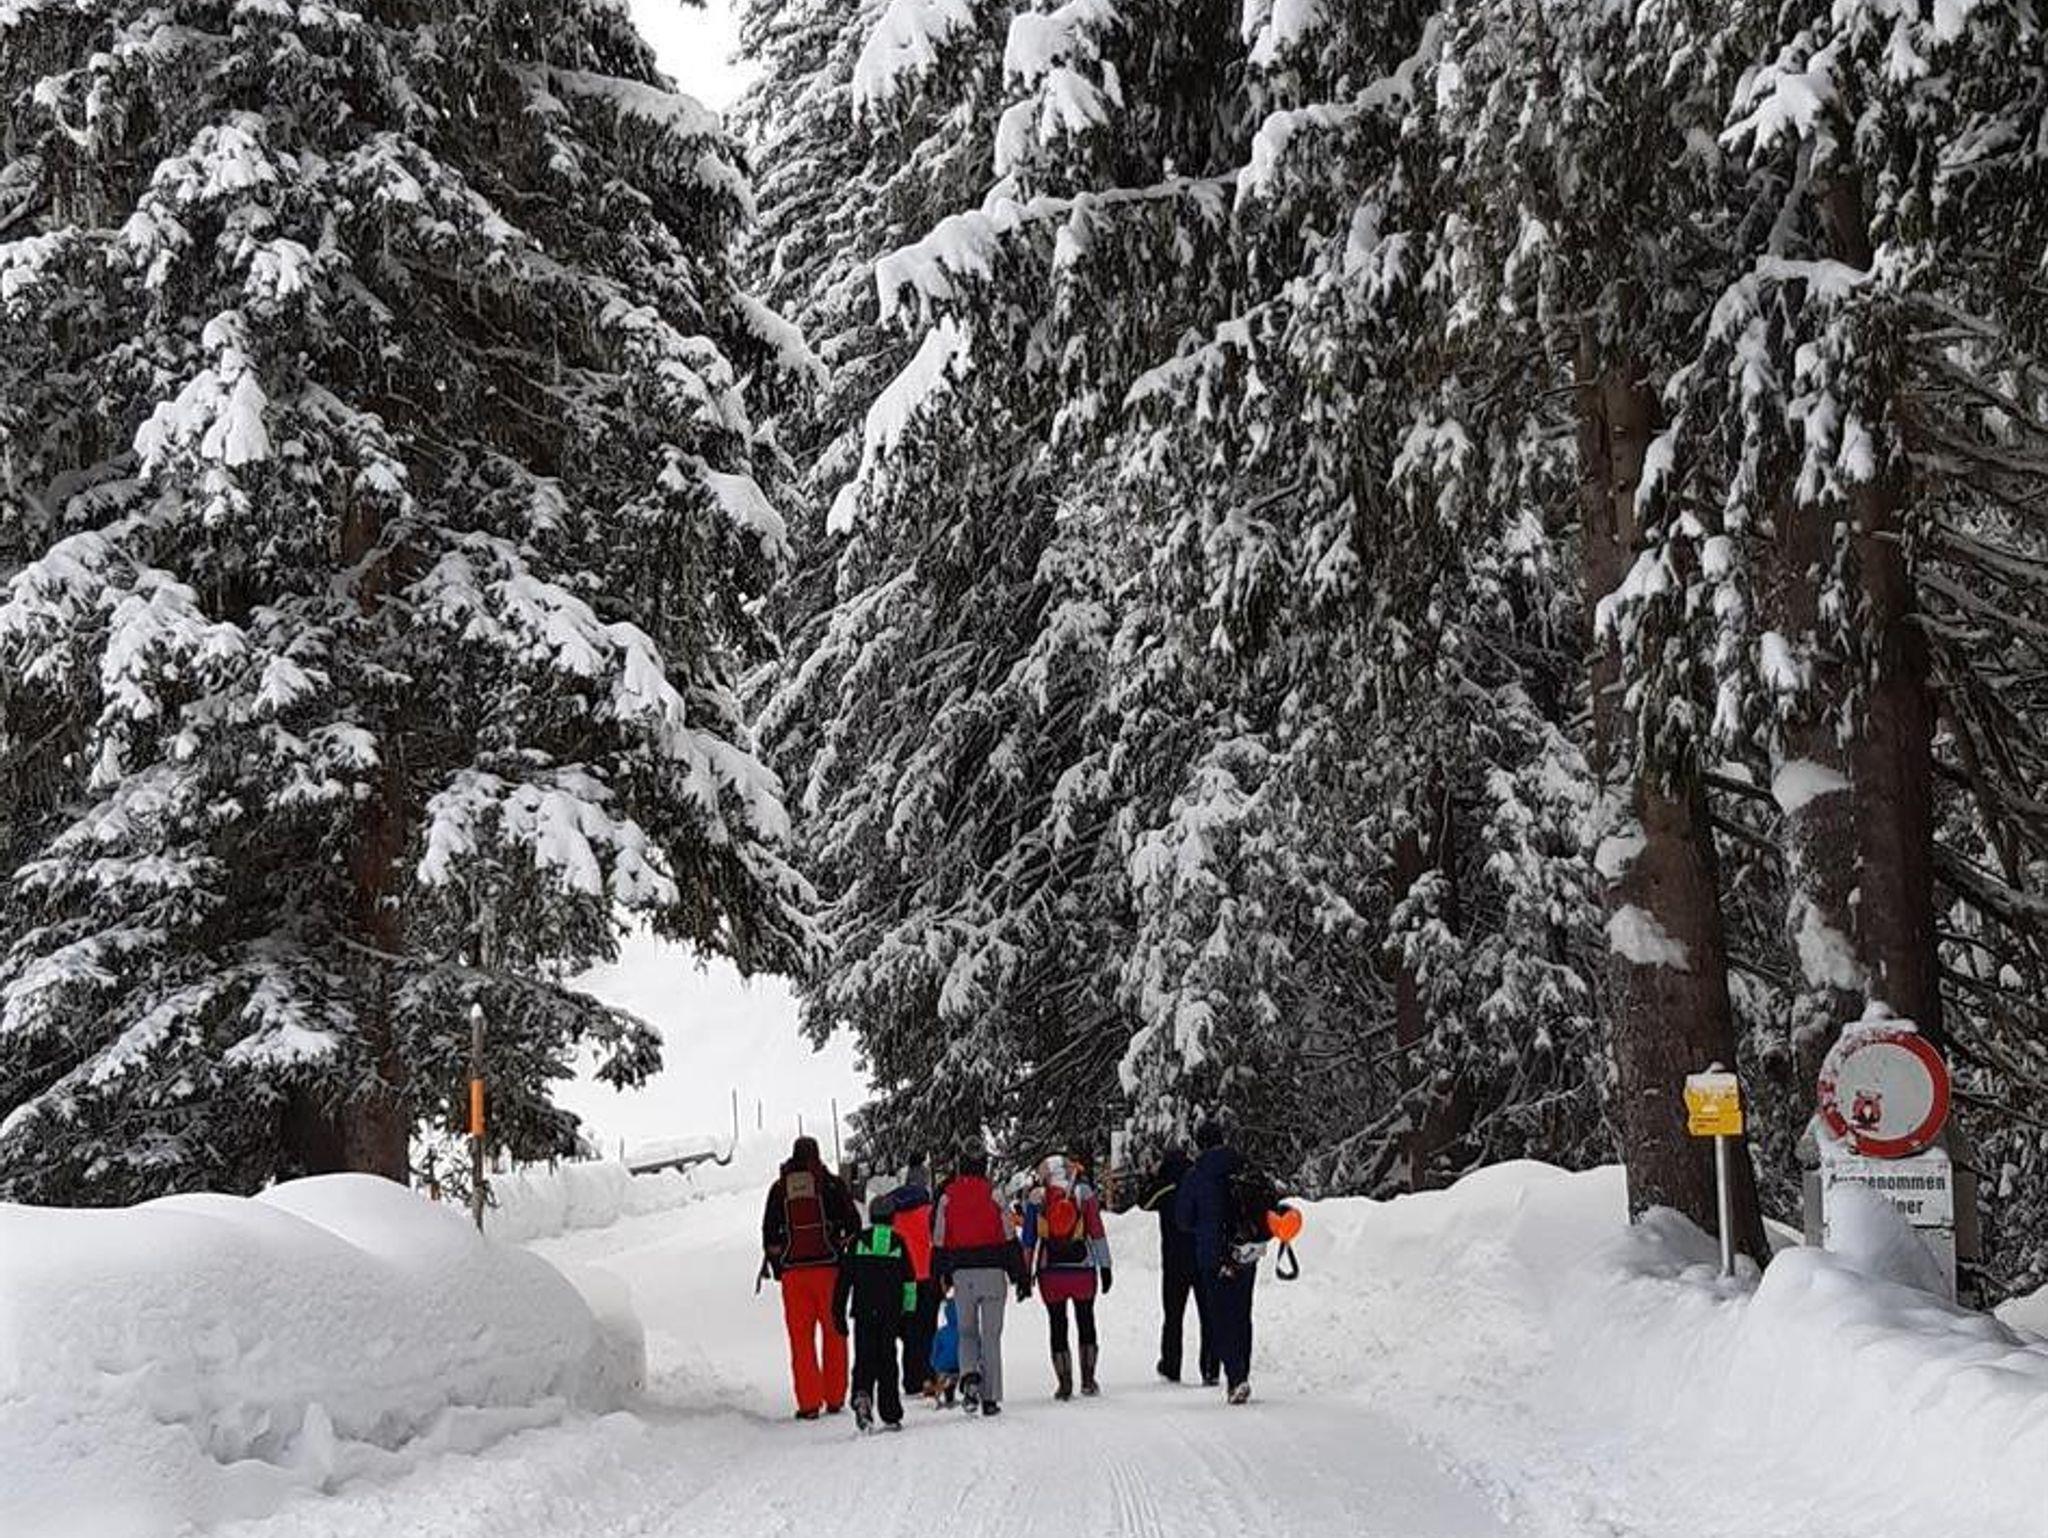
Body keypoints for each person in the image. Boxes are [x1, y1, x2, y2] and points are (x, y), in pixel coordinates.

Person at [762, 1134, 861, 1419]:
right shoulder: (831, 1184)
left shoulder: (780, 1188)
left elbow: (769, 1233)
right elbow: (854, 1224)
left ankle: (808, 1403)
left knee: (801, 1340)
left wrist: (780, 1268)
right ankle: (835, 1397)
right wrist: (842, 1253)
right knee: (834, 1333)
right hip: (829, 1271)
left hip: (794, 1276)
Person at [932, 1148, 1028, 1417]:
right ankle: (990, 1397)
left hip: (963, 1274)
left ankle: (970, 1377)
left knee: (966, 1332)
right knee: (991, 1336)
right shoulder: (995, 1193)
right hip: (993, 1272)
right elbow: (1009, 1235)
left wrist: (939, 1274)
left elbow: (938, 1239)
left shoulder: (948, 1196)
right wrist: (1019, 1274)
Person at [1175, 1119, 1258, 1404]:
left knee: (1220, 1318)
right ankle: (1242, 1373)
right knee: (1242, 1314)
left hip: (1213, 1256)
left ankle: (1236, 1377)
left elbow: (1183, 1219)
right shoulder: (1243, 1165)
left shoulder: (1196, 1175)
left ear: (1199, 1144)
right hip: (1245, 1251)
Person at [1023, 1153, 1112, 1399]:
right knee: (1086, 1320)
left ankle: (1064, 1383)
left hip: (1050, 1272)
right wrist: (1105, 1266)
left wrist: (1024, 1273)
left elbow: (1029, 1239)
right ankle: (1088, 1379)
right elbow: (1097, 1231)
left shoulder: (1037, 1197)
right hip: (1082, 1269)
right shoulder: (1083, 1193)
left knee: (1057, 1324)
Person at [835, 1194, 917, 1433]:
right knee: (887, 1360)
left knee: (864, 1358)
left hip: (863, 1311)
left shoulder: (858, 1242)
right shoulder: (897, 1243)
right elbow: (909, 1281)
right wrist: (908, 1313)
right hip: (890, 1313)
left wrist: (837, 1311)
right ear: (892, 1217)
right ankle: (890, 1412)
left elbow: (844, 1280)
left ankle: (862, 1395)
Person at [1144, 1145, 1216, 1386]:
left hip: (1174, 1261)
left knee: (1173, 1316)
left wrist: (1152, 1177)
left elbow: (1144, 1202)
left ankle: (1171, 1365)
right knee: (1208, 1315)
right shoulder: (1200, 1182)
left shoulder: (1165, 1186)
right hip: (1202, 1257)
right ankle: (1210, 1368)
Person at [882, 1161, 940, 1397]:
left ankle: (910, 1378)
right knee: (928, 1329)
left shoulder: (893, 1212)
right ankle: (926, 1375)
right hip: (927, 1276)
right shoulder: (930, 1212)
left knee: (908, 1331)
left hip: (901, 1278)